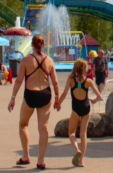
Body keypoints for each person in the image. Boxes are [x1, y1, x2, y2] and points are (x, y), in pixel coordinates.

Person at [8, 34, 60, 170]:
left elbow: (19, 81)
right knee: (43, 128)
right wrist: (57, 98)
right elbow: (55, 81)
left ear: (32, 45)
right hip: (45, 95)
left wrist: (13, 98)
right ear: (43, 45)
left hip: (30, 94)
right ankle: (41, 160)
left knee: (23, 124)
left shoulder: (26, 60)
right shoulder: (49, 61)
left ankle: (25, 156)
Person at [57, 58, 103, 167]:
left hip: (76, 109)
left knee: (71, 133)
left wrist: (58, 104)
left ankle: (76, 149)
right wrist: (94, 100)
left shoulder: (71, 79)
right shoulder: (88, 82)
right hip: (86, 108)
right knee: (83, 134)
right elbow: (99, 96)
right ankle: (81, 160)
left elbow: (63, 94)